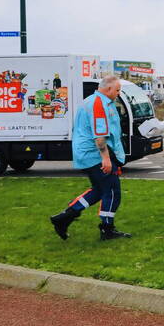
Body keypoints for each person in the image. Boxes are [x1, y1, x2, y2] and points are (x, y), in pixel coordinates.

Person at [49, 75, 131, 241]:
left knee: (100, 190)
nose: (118, 93)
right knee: (113, 192)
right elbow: (100, 137)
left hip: (86, 154)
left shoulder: (90, 101)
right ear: (108, 89)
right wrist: (106, 159)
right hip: (95, 155)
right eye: (117, 90)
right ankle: (107, 229)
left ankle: (64, 217)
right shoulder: (99, 104)